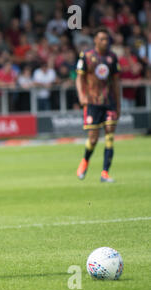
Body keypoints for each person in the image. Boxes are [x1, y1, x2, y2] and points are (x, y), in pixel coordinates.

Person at [76, 27, 121, 183]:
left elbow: (115, 82)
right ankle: (85, 161)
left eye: (106, 39)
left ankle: (105, 173)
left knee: (109, 134)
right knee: (93, 139)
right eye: (101, 39)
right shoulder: (86, 56)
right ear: (95, 40)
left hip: (109, 102)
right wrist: (82, 96)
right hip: (93, 102)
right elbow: (79, 78)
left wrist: (118, 104)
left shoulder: (112, 57)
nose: (104, 42)